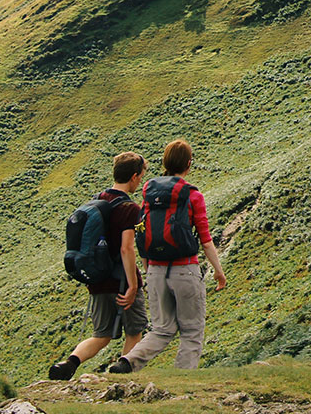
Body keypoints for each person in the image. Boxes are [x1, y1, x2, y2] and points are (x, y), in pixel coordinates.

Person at [109, 140, 228, 373]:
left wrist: (147, 269)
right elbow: (205, 239)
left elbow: (143, 230)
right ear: (188, 163)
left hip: (155, 270)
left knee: (162, 329)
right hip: (185, 269)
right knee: (192, 330)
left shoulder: (148, 191)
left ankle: (127, 362)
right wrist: (219, 271)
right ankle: (182, 381)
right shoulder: (192, 195)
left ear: (164, 162)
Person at [49, 153, 150, 380]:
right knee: (134, 331)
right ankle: (123, 377)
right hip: (122, 281)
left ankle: (68, 364)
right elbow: (126, 249)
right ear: (134, 177)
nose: (140, 181)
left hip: (98, 280)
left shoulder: (99, 199)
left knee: (102, 335)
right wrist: (133, 285)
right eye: (141, 176)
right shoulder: (128, 208)